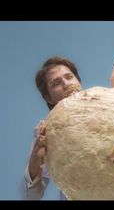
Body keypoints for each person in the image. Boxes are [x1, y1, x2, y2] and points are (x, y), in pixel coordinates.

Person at [20, 56, 83, 200]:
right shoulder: (47, 132)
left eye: (69, 77)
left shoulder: (109, 107)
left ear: (79, 82)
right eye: (56, 83)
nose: (67, 84)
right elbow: (30, 197)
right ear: (49, 98)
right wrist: (35, 159)